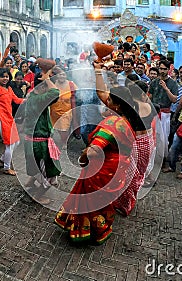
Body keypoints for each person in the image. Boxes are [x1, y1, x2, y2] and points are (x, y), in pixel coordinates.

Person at [54, 66, 139, 244]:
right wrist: (98, 70)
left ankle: (91, 231)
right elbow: (102, 95)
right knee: (103, 201)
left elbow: (94, 150)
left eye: (109, 100)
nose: (105, 101)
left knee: (90, 202)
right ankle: (103, 227)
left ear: (116, 105)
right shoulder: (127, 118)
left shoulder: (113, 122)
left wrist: (82, 157)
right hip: (118, 168)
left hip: (102, 169)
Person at [113, 80, 156, 216]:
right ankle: (130, 199)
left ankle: (124, 203)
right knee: (140, 173)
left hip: (135, 143)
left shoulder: (132, 107)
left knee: (129, 173)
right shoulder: (151, 106)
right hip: (148, 142)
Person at [23, 70, 61, 204]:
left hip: (31, 141)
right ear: (44, 86)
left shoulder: (32, 95)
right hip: (39, 144)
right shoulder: (39, 99)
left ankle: (31, 181)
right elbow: (55, 93)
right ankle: (38, 196)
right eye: (50, 85)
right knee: (51, 174)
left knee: (35, 166)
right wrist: (47, 79)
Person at [0, 68, 24, 175]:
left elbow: (16, 100)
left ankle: (3, 159)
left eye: (6, 76)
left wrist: (28, 99)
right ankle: (6, 168)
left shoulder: (9, 88)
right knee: (10, 144)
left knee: (17, 142)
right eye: (2, 76)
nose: (5, 78)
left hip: (9, 118)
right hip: (0, 118)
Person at [50, 66, 78, 149]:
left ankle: (65, 142)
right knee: (58, 128)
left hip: (66, 111)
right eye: (60, 75)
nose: (62, 76)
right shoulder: (53, 84)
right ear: (57, 76)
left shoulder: (71, 84)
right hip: (54, 111)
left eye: (63, 75)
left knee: (64, 128)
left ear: (66, 75)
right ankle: (64, 139)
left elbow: (76, 95)